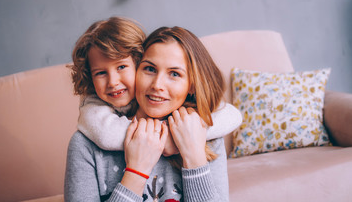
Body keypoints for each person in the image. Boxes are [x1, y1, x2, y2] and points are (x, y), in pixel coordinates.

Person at [65, 26, 242, 201]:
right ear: (136, 69)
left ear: (192, 85)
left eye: (174, 73)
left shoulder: (207, 139)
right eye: (150, 69)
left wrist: (194, 157)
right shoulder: (85, 145)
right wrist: (135, 173)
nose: (157, 84)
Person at [69, 17, 241, 154]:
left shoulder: (169, 103)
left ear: (137, 63)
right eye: (100, 73)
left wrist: (188, 137)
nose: (113, 82)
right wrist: (164, 140)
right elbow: (106, 135)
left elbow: (232, 115)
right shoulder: (93, 106)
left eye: (121, 67)